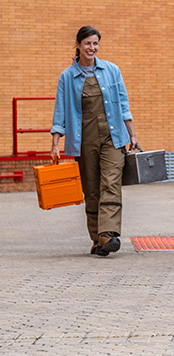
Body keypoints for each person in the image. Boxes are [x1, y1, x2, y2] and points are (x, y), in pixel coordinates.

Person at [50, 26, 139, 257]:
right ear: (78, 45)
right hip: (83, 138)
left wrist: (133, 135)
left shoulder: (112, 70)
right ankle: (97, 238)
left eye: (95, 43)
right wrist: (55, 145)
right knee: (91, 189)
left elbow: (124, 105)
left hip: (113, 136)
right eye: (87, 43)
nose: (92, 48)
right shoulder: (67, 77)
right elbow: (60, 113)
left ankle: (107, 234)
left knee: (110, 183)